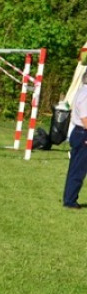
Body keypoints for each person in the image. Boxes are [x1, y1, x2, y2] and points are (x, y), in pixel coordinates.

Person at [63, 74, 87, 209]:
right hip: (83, 133)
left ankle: (70, 198)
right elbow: (85, 118)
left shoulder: (81, 91)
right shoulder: (86, 95)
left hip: (79, 133)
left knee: (76, 168)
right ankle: (70, 200)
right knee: (78, 170)